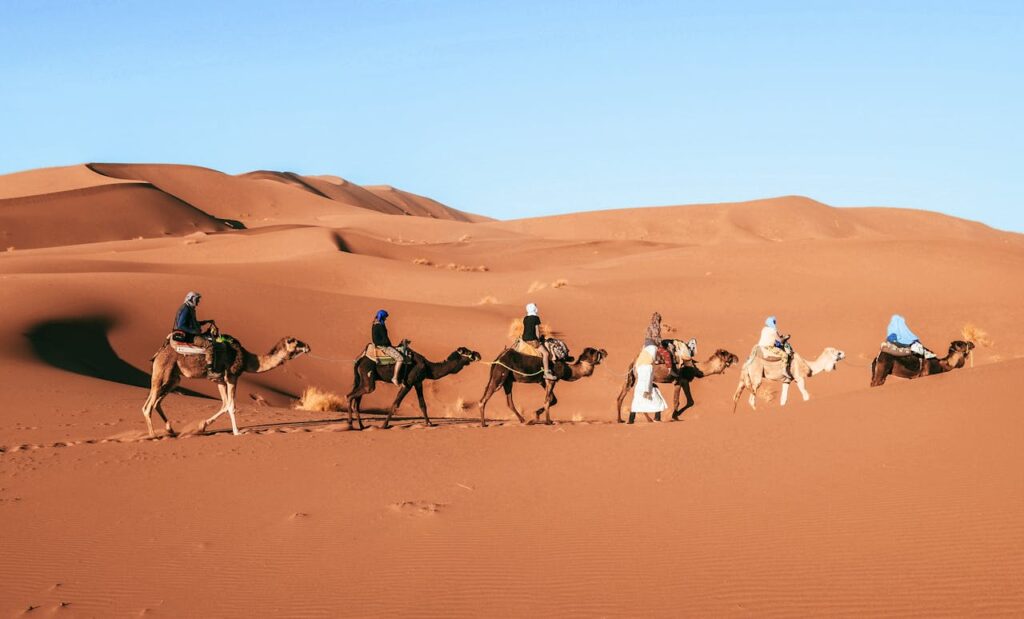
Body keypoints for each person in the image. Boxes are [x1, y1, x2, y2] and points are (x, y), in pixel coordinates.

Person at [629, 322, 667, 423]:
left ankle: (631, 419)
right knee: (653, 393)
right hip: (646, 372)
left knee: (637, 395)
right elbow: (664, 356)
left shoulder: (644, 351)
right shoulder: (655, 348)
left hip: (640, 370)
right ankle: (657, 417)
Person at [173, 291, 218, 376]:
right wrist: (194, 331)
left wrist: (206, 322)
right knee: (209, 345)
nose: (198, 301)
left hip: (190, 334)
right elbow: (181, 325)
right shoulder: (186, 309)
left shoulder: (189, 308)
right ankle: (210, 371)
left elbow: (192, 323)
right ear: (191, 299)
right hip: (188, 336)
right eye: (197, 299)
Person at [522, 303, 556, 381]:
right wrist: (538, 340)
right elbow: (537, 332)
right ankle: (547, 373)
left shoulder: (525, 318)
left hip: (524, 339)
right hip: (532, 340)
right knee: (546, 353)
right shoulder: (536, 318)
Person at [371, 310, 404, 385]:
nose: (386, 319)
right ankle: (394, 378)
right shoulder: (379, 326)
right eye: (385, 317)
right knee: (400, 359)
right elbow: (378, 339)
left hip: (384, 345)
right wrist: (387, 345)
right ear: (382, 317)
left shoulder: (375, 324)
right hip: (384, 347)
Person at [758, 315, 793, 381]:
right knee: (784, 355)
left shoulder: (764, 329)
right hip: (768, 347)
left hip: (760, 347)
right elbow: (779, 341)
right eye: (774, 322)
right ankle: (784, 370)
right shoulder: (773, 330)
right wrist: (785, 338)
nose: (775, 323)